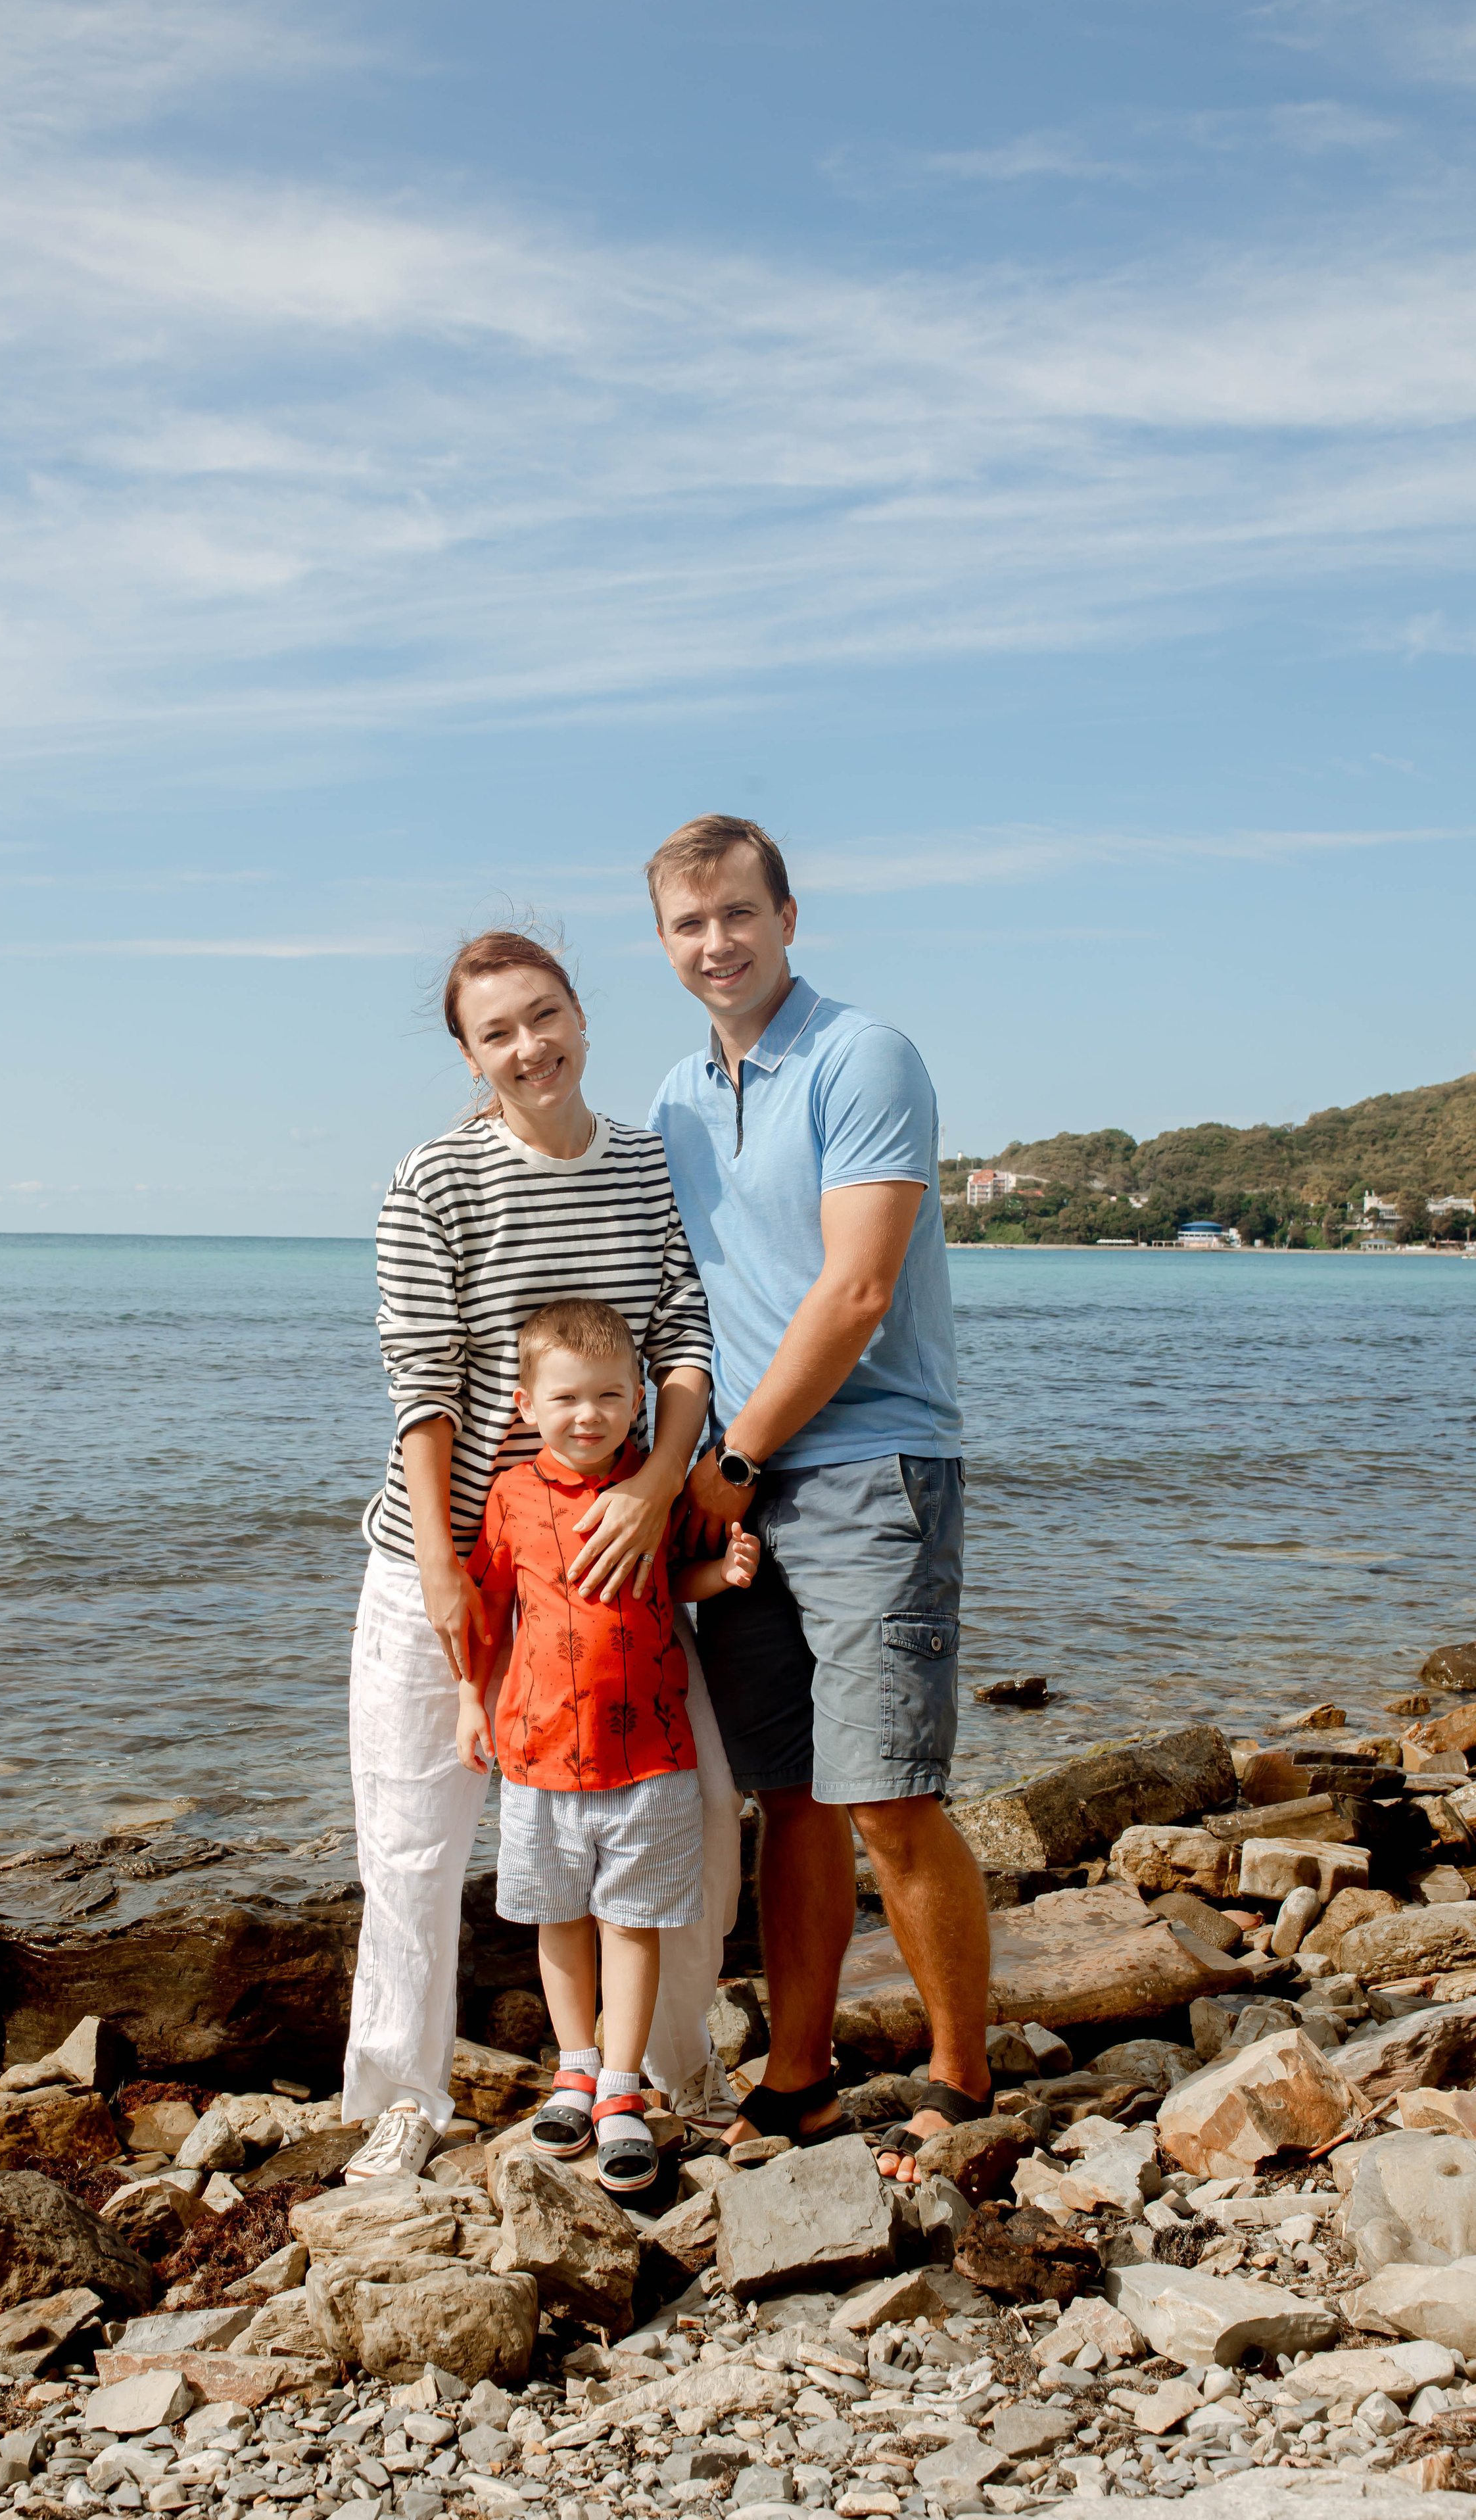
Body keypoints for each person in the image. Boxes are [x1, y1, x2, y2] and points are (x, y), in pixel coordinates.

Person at [341, 927, 744, 2182]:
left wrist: (659, 1489)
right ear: (471, 1057)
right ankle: (403, 2096)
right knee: (415, 1839)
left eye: (544, 1014)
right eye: (498, 1032)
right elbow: (422, 1386)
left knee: (693, 1815)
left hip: (616, 1564)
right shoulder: (435, 1181)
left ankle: (670, 2066)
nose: (530, 1047)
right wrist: (443, 1571)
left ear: (580, 1015)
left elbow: (684, 1340)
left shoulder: (645, 1165)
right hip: (455, 1558)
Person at [646, 815, 989, 2183]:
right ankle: (799, 2078)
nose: (716, 943)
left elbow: (855, 1290)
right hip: (739, 1483)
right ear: (663, 943)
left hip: (867, 1466)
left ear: (787, 917)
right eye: (689, 924)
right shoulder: (675, 1098)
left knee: (888, 1795)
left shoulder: (863, 1056)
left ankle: (960, 2078)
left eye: (738, 913)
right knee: (788, 1796)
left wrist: (729, 1462)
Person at [455, 1297, 759, 2194]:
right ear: (525, 1405)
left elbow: (673, 1581)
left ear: (639, 1400)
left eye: (609, 1397)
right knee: (558, 1917)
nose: (587, 1415)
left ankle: (623, 2088)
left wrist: (723, 1575)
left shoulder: (652, 1493)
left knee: (632, 1922)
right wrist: (470, 1700)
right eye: (566, 1398)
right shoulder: (511, 1498)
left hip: (652, 1755)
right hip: (540, 1754)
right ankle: (574, 2071)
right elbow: (488, 1607)